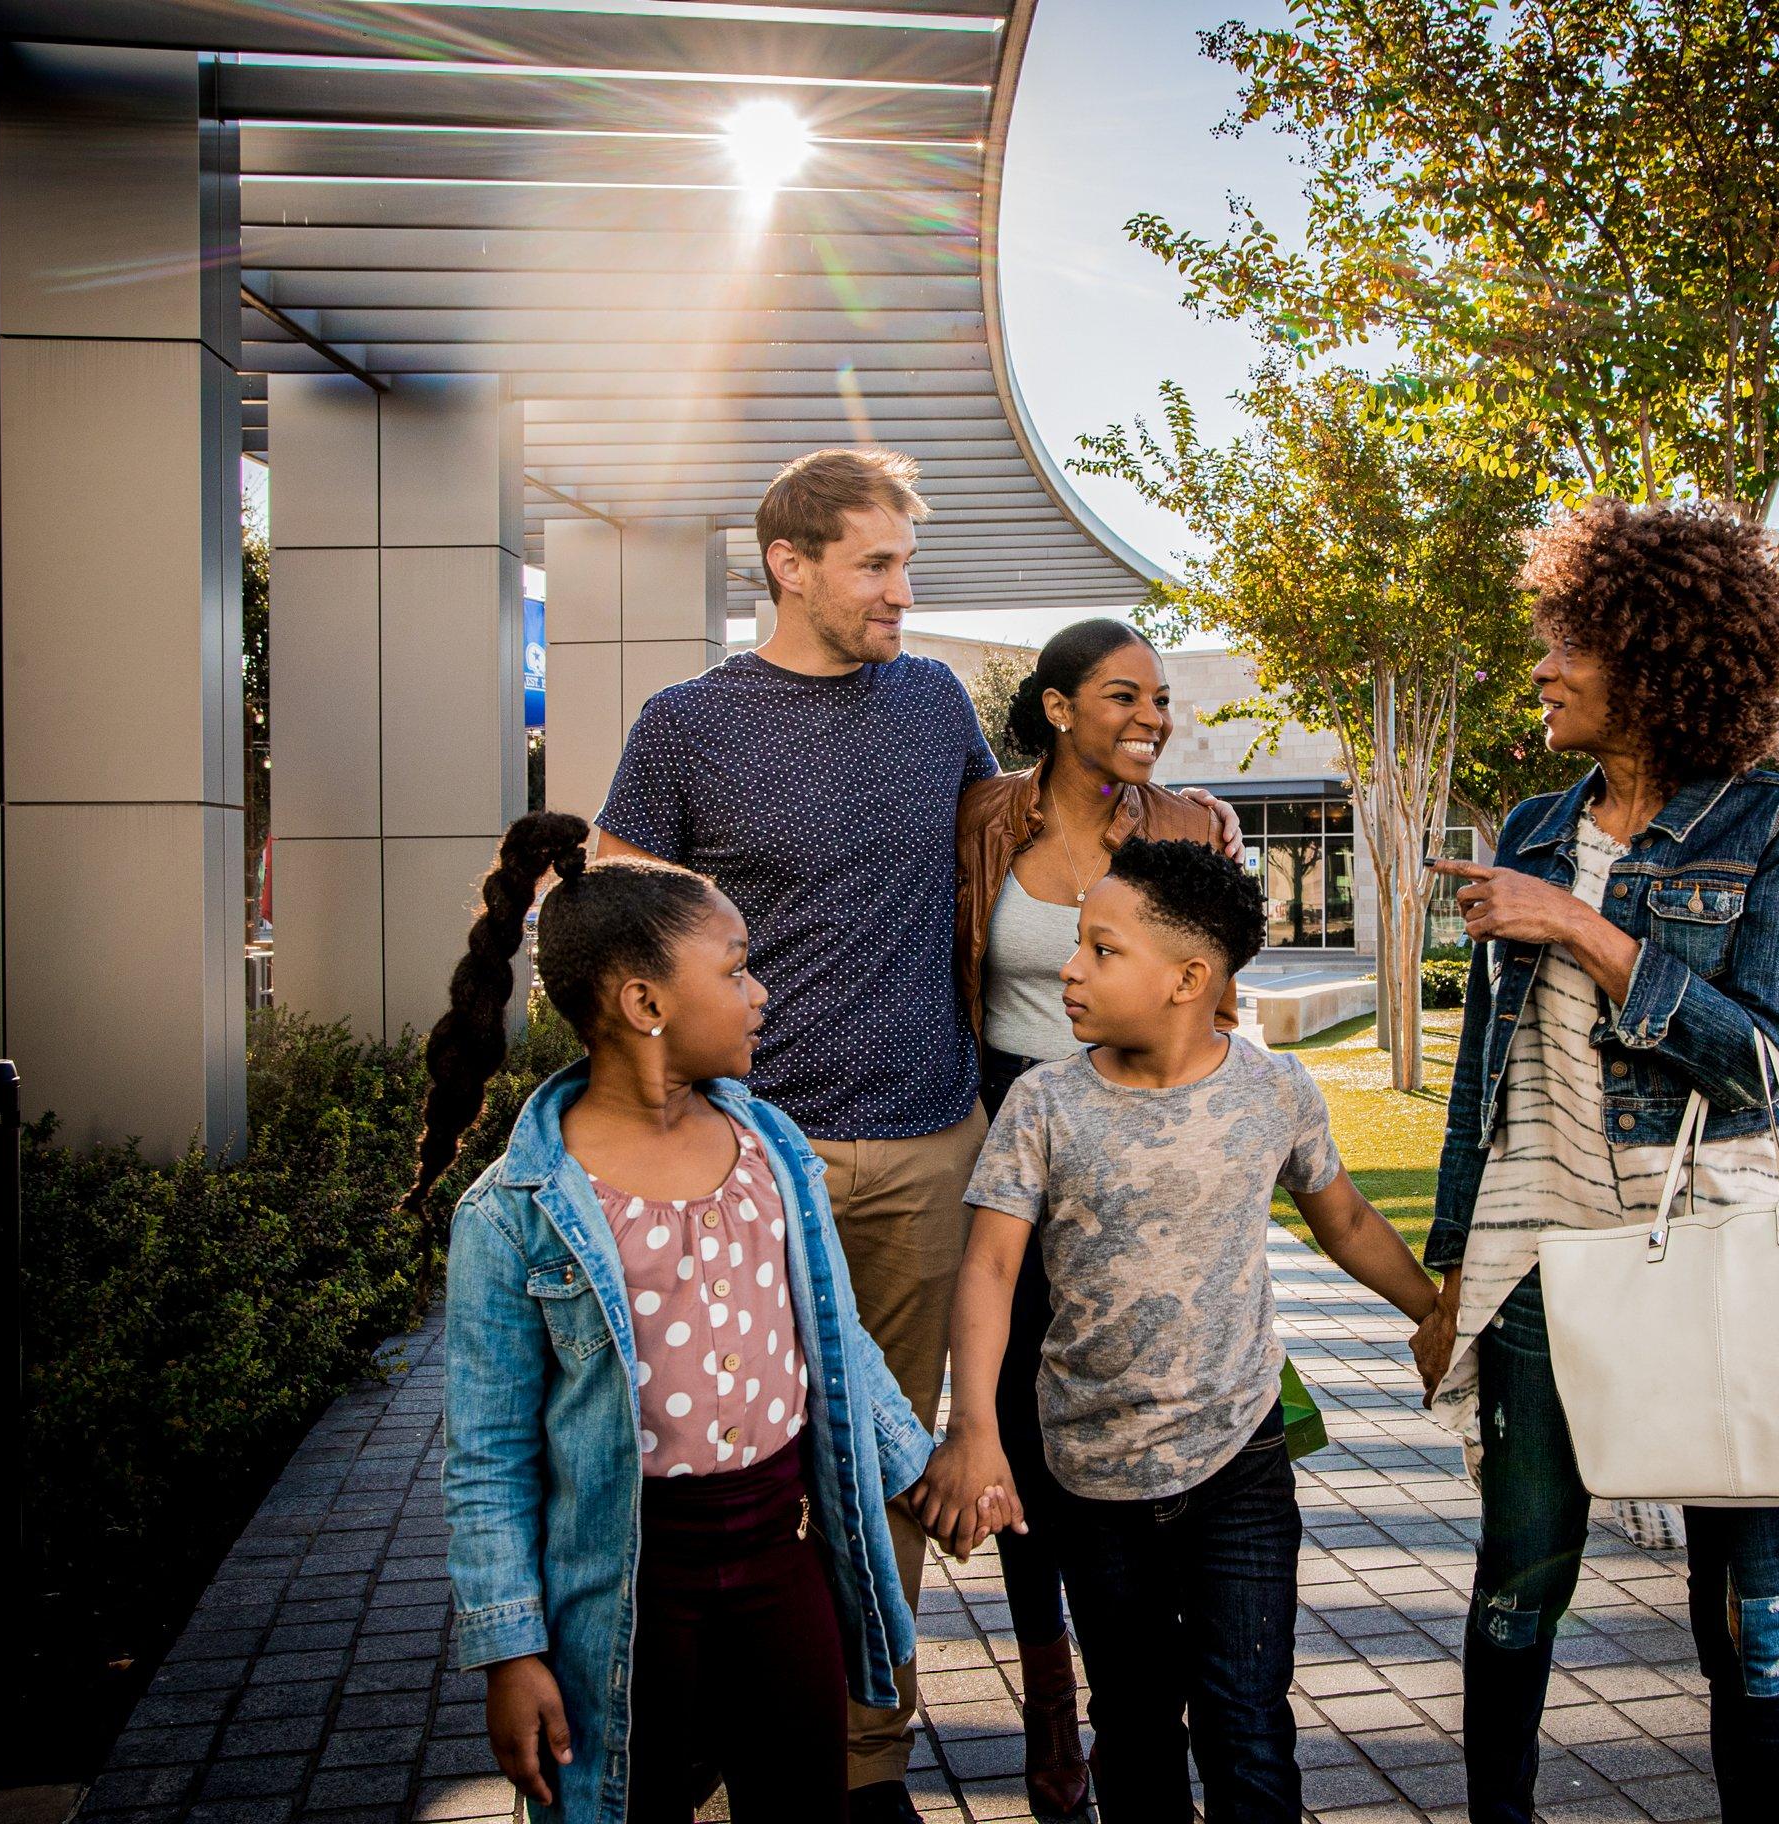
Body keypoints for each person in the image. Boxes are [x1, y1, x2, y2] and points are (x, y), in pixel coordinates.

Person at [588, 449, 1239, 1818]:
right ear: (792, 563)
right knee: (733, 1466)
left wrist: (1179, 820)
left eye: (906, 566)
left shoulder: (932, 699)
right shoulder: (686, 723)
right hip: (754, 1159)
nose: (901, 592)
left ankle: (861, 1759)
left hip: (934, 1151)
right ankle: (710, 1757)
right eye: (878, 566)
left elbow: (1028, 823)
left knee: (883, 1471)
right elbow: (609, 898)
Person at [1414, 501, 1779, 1824]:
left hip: (1712, 1254)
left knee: (1747, 1612)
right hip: (1541, 1257)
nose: (1538, 668)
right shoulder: (1537, 827)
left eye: (1566, 644)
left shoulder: (1776, 825)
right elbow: (1482, 1082)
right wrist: (1443, 1274)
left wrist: (1586, 933)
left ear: (1657, 661)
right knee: (1518, 1581)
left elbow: (1760, 1061)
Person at [414, 811, 946, 1824]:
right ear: (645, 1001)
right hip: (626, 1595)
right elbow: (484, 1459)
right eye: (738, 970)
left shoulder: (772, 1149)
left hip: (783, 1566)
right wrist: (508, 1650)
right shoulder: (517, 1212)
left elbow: (831, 1340)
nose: (761, 994)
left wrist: (920, 1466)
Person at [916, 838, 1444, 1824]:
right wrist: (974, 1427)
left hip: (1239, 1460)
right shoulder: (1043, 1104)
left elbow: (1350, 1222)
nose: (1070, 968)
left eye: (1102, 950)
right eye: (1076, 944)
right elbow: (988, 1265)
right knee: (1137, 1721)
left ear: (1188, 979)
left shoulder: (1273, 1092)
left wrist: (1436, 1313)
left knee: (1248, 1726)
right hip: (1094, 1478)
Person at [951, 618, 1237, 1819]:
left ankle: (1144, 1691)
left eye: (1161, 699)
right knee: (1017, 1416)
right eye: (1125, 697)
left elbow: (1215, 997)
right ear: (1058, 708)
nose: (1152, 719)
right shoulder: (980, 822)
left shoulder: (1190, 828)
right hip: (1009, 1120)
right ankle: (1048, 1689)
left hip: (1134, 1134)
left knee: (1131, 1402)